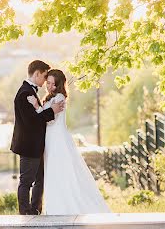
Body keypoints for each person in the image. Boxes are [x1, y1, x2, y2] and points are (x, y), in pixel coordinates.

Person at [27, 68, 110, 215]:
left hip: (57, 139)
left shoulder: (59, 97)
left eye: (53, 84)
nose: (49, 86)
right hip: (50, 138)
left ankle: (63, 207)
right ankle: (55, 207)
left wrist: (36, 106)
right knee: (52, 172)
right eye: (48, 83)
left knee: (60, 171)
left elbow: (50, 121)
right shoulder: (50, 97)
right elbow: (47, 116)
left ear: (59, 85)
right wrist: (41, 108)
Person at [10, 60, 65, 215]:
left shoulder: (30, 91)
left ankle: (35, 210)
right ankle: (25, 212)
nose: (45, 80)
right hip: (29, 146)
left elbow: (36, 116)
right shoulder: (25, 93)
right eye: (44, 76)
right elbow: (31, 122)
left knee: (40, 179)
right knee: (26, 181)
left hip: (37, 145)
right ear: (37, 74)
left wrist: (42, 108)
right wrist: (52, 111)